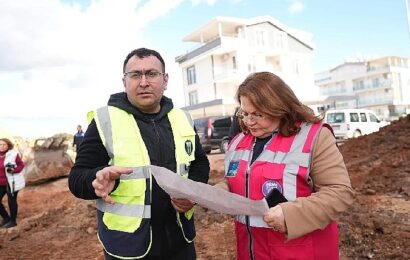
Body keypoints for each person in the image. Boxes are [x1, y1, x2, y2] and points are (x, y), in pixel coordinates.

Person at [68, 47, 210, 259]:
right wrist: (95, 181)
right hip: (128, 246)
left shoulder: (182, 119)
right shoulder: (105, 121)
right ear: (124, 81)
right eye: (135, 75)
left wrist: (192, 194)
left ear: (165, 80)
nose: (144, 82)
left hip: (180, 241)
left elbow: (200, 163)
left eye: (152, 74)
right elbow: (77, 177)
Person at [219, 72, 354, 260]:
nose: (249, 121)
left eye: (258, 114)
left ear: (279, 108)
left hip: (300, 252)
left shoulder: (314, 137)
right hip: (251, 252)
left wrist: (290, 215)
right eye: (245, 113)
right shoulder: (238, 142)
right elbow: (237, 179)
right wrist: (218, 191)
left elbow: (340, 193)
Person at [0, 138, 25, 228]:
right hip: (1, 183)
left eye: (4, 145)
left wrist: (14, 170)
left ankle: (13, 221)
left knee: (11, 201)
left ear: (8, 145)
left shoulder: (13, 154)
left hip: (11, 183)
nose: (1, 147)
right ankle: (6, 218)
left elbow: (21, 165)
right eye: (0, 145)